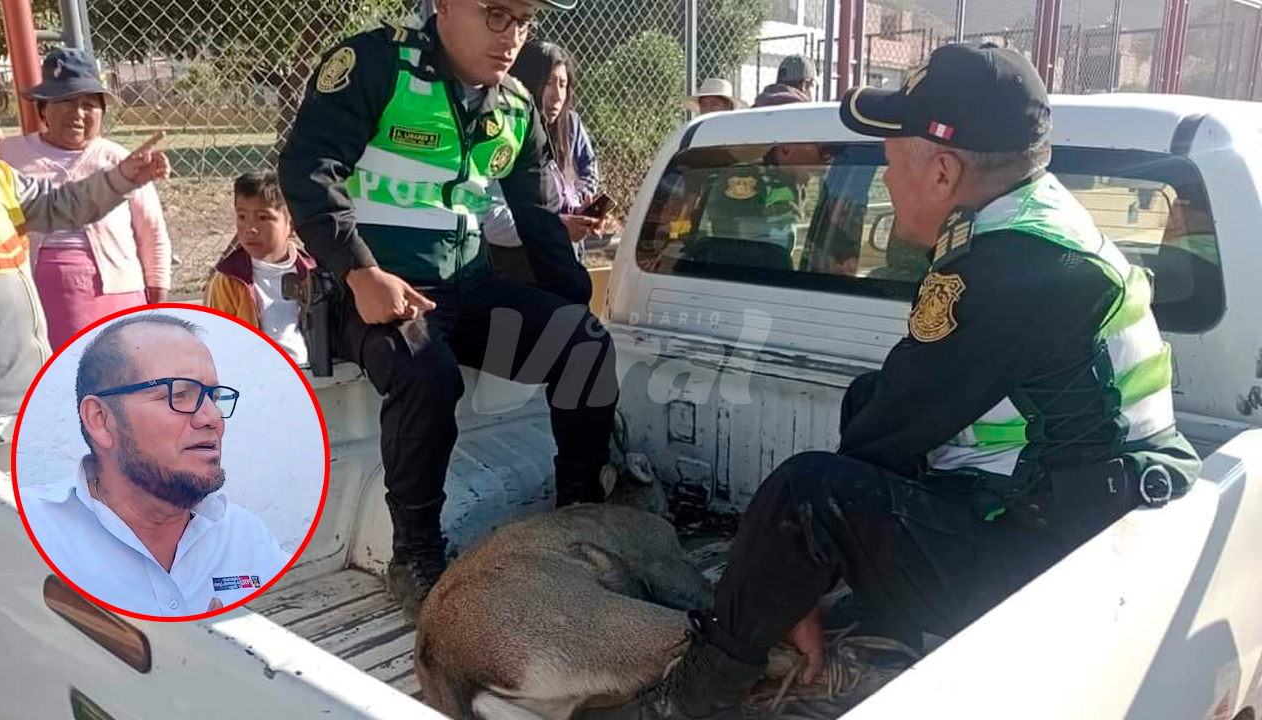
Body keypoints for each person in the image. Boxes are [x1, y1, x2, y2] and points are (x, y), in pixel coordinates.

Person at [633, 43, 1202, 720]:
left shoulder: (1008, 267)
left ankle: (698, 692)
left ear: (941, 172)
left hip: (1060, 564)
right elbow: (893, 412)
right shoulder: (1032, 223)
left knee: (803, 496)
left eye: (890, 158)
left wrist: (783, 586)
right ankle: (884, 635)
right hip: (1078, 515)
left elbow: (885, 436)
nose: (883, 175)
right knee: (865, 401)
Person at [279, 0, 619, 619]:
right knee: (426, 371)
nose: (511, 36)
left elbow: (540, 220)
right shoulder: (376, 64)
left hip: (471, 290)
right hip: (377, 291)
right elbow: (308, 169)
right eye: (495, 13)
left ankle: (580, 519)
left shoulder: (515, 105)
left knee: (584, 343)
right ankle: (414, 555)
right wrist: (359, 271)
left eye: (524, 20)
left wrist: (574, 310)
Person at [19, 313, 293, 617]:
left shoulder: (243, 536)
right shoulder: (25, 530)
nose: (213, 418)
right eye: (180, 395)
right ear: (101, 420)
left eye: (213, 397)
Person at [0, 61, 169, 419]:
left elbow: (58, 205)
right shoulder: (10, 159)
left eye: (89, 103)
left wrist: (122, 178)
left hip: (20, 395)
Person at [485, 40, 604, 285]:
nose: (557, 95)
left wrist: (578, 206)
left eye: (563, 84)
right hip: (516, 271)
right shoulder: (501, 130)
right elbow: (493, 219)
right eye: (549, 83)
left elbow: (588, 167)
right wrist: (556, 228)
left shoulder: (570, 124)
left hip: (561, 255)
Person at [204, 171, 315, 365]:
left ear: (291, 224)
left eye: (263, 218)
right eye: (242, 217)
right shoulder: (230, 279)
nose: (250, 229)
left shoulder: (311, 272)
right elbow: (217, 343)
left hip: (307, 375)